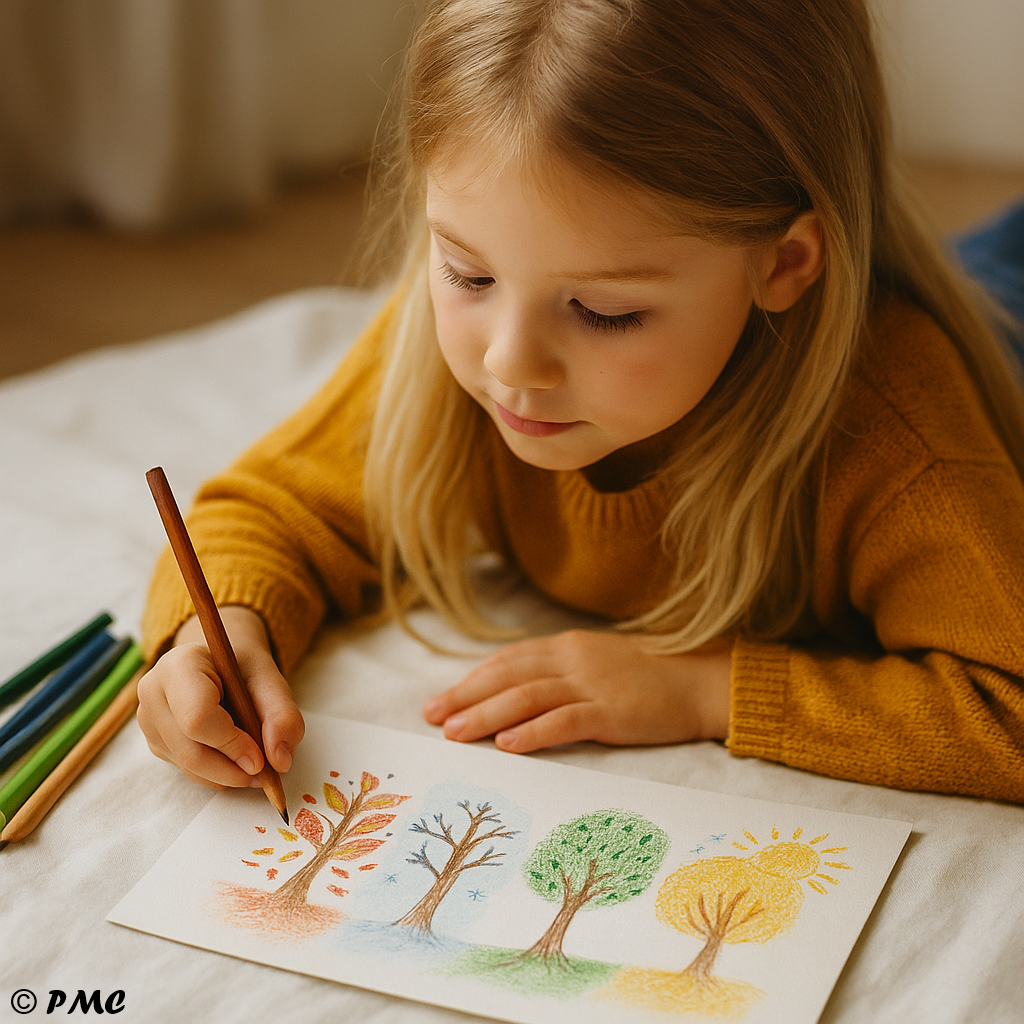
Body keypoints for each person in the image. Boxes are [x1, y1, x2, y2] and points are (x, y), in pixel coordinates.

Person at [137, 0, 1024, 803]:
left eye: (606, 312)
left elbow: (1009, 711)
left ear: (784, 265)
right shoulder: (449, 351)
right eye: (467, 272)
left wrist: (702, 687)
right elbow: (269, 510)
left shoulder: (902, 432)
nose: (510, 359)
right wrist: (217, 639)